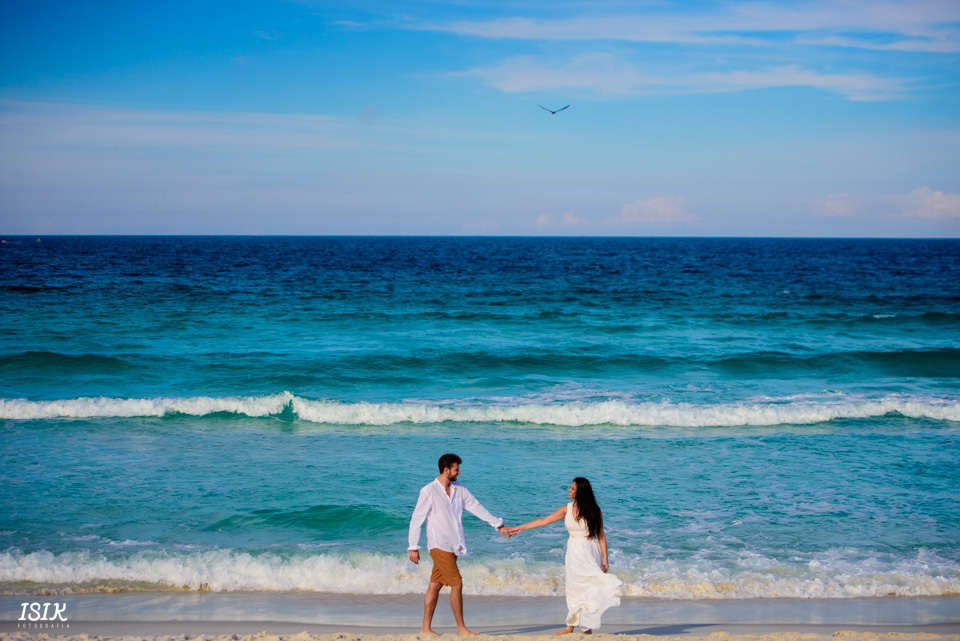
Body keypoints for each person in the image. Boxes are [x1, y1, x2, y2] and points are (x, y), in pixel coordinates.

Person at [408, 453, 512, 636]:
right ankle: (461, 628)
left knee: (435, 584)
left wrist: (498, 524)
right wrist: (413, 547)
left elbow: (476, 507)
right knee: (457, 583)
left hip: (453, 545)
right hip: (438, 545)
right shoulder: (429, 491)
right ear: (446, 469)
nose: (459, 472)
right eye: (456, 469)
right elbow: (416, 519)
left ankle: (425, 628)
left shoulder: (459, 489)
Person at [509, 477, 622, 635]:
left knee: (589, 588)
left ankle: (586, 627)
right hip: (573, 551)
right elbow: (544, 521)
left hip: (590, 550)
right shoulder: (567, 508)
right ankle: (571, 626)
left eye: (572, 488)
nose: (569, 490)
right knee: (573, 588)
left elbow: (601, 535)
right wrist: (520, 528)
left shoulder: (595, 510)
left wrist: (605, 558)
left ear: (580, 492)